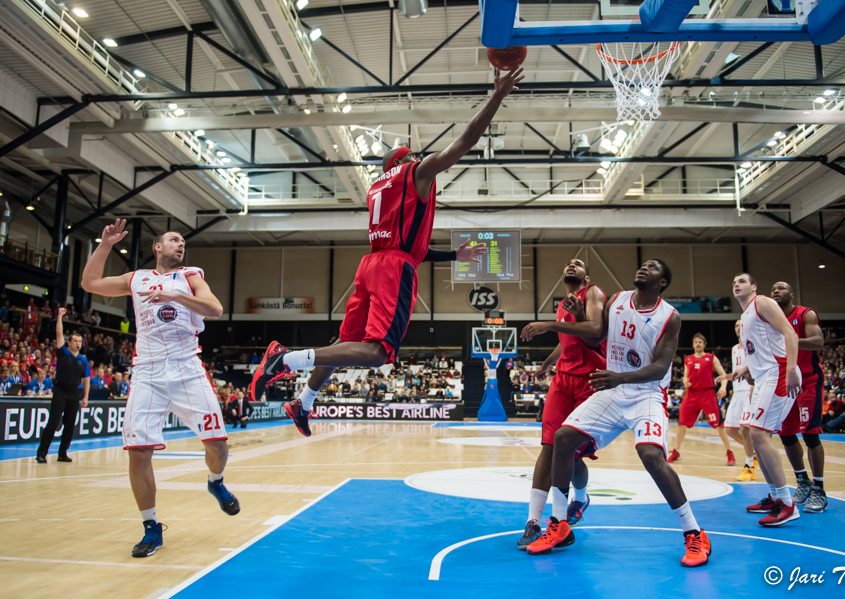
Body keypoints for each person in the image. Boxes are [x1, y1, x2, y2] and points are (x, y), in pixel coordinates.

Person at [250, 67, 526, 432]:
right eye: (416, 157)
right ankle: (286, 358)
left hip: (372, 264)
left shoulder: (376, 189)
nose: (422, 161)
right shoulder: (415, 173)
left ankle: (303, 403)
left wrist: (452, 257)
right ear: (406, 161)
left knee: (345, 343)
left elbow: (407, 247)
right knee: (378, 353)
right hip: (393, 268)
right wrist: (498, 96)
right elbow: (467, 139)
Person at [526, 259, 712, 568]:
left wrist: (622, 377)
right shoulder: (617, 300)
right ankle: (559, 523)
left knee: (651, 456)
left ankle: (694, 533)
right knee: (563, 438)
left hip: (646, 393)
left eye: (652, 267)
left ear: (662, 282)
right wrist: (579, 316)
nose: (643, 268)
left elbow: (661, 367)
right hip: (614, 389)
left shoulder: (670, 317)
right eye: (642, 265)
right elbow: (595, 338)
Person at [80, 221, 239, 558]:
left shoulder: (190, 275)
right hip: (148, 374)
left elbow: (215, 309)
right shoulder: (135, 278)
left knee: (218, 444)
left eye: (182, 241)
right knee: (139, 453)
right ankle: (151, 528)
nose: (180, 244)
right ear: (158, 247)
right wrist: (105, 244)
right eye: (174, 239)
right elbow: (89, 282)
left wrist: (174, 294)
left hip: (187, 369)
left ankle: (215, 482)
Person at [515, 258, 607, 549]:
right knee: (548, 447)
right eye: (567, 262)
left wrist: (547, 325)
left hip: (589, 381)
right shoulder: (565, 303)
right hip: (563, 381)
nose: (571, 264)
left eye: (577, 263)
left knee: (573, 455)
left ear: (586, 275)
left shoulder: (593, 293)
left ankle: (580, 498)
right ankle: (533, 521)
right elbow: (567, 338)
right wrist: (547, 363)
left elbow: (593, 330)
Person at [717, 273, 801, 527]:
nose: (736, 284)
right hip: (764, 374)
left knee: (760, 433)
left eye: (741, 281)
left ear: (753, 287)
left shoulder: (762, 302)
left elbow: (790, 334)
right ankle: (775, 496)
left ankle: (787, 503)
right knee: (755, 435)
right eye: (733, 282)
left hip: (778, 372)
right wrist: (746, 369)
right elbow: (760, 349)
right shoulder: (744, 318)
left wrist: (790, 370)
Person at [770, 281, 828, 513]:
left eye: (781, 288)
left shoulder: (805, 314)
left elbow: (818, 342)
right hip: (785, 382)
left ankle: (819, 488)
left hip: (808, 381)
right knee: (786, 435)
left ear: (791, 295)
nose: (775, 291)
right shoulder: (771, 320)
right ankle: (802, 480)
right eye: (773, 289)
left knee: (810, 435)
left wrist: (791, 341)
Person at [667, 333, 734, 465]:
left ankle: (730, 452)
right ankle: (676, 451)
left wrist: (724, 387)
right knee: (681, 423)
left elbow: (723, 375)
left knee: (719, 425)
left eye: (700, 342)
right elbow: (685, 376)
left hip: (707, 394)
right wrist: (685, 380)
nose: (698, 344)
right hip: (692, 394)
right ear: (693, 344)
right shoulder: (688, 359)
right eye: (696, 342)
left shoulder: (711, 358)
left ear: (704, 344)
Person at [36, 308, 90, 463]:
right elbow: (59, 333)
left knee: (69, 425)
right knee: (53, 422)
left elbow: (86, 380)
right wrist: (59, 315)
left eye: (80, 341)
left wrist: (85, 397)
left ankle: (62, 453)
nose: (78, 343)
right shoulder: (63, 353)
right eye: (75, 341)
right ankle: (41, 453)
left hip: (74, 393)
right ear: (69, 343)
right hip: (60, 390)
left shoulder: (83, 360)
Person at [722, 319, 756, 482]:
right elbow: (737, 373)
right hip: (737, 391)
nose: (738, 328)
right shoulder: (735, 348)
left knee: (745, 428)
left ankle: (749, 466)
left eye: (741, 325)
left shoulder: (753, 344)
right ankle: (754, 453)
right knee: (730, 430)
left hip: (750, 389)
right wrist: (725, 378)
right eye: (736, 325)